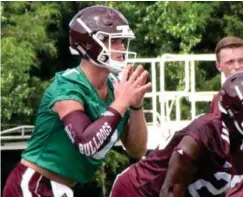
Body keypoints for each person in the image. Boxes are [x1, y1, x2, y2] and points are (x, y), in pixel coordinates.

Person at [3, 5, 151, 197]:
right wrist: (121, 103)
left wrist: (136, 106)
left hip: (62, 189)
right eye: (115, 42)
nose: (122, 49)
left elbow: (137, 150)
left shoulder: (115, 87)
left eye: (122, 42)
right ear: (92, 45)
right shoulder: (68, 85)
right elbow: (86, 144)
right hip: (35, 183)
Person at [110, 71, 243, 197]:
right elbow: (170, 191)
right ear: (233, 110)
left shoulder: (241, 138)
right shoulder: (205, 134)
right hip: (139, 191)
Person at [210, 36, 243, 114]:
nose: (237, 67)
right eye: (230, 62)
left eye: (241, 61)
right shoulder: (218, 100)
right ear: (218, 66)